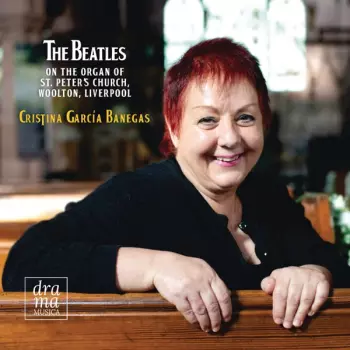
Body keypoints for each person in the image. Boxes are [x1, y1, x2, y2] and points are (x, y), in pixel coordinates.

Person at [2, 38, 350, 334]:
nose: (229, 138)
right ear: (175, 127)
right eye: (207, 120)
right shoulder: (138, 194)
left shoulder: (267, 194)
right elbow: (24, 267)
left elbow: (333, 264)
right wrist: (155, 268)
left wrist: (313, 274)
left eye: (245, 117)